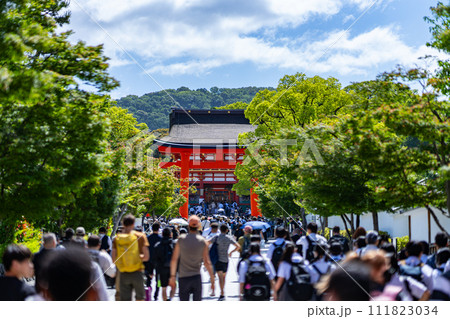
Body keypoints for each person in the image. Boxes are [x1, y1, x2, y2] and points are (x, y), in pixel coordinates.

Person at [169, 215, 215, 301]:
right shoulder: (202, 241)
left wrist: (172, 277)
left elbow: (174, 260)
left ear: (188, 226)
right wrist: (212, 279)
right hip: (196, 276)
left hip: (183, 276)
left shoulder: (181, 239)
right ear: (198, 226)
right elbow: (207, 262)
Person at [112, 214, 150, 301]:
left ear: (123, 224)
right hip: (137, 272)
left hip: (123, 272)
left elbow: (114, 259)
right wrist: (136, 258)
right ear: (133, 224)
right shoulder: (140, 236)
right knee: (140, 298)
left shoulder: (117, 238)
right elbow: (146, 257)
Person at [212, 224, 240, 301]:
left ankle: (222, 293)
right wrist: (231, 252)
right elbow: (238, 246)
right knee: (224, 277)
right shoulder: (228, 238)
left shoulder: (216, 237)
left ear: (220, 230)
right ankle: (222, 291)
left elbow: (207, 242)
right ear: (227, 230)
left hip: (218, 259)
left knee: (220, 277)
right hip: (225, 260)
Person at [154, 227, 175, 301]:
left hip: (161, 269)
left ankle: (165, 300)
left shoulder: (158, 245)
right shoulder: (174, 244)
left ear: (162, 234)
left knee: (163, 288)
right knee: (173, 286)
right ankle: (171, 298)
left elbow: (155, 259)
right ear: (170, 234)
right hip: (173, 269)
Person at [145, 222, 162, 300]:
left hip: (149, 260)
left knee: (148, 277)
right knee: (158, 279)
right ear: (159, 229)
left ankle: (148, 291)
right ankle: (156, 294)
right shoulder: (161, 238)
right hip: (158, 261)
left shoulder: (148, 238)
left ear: (151, 228)